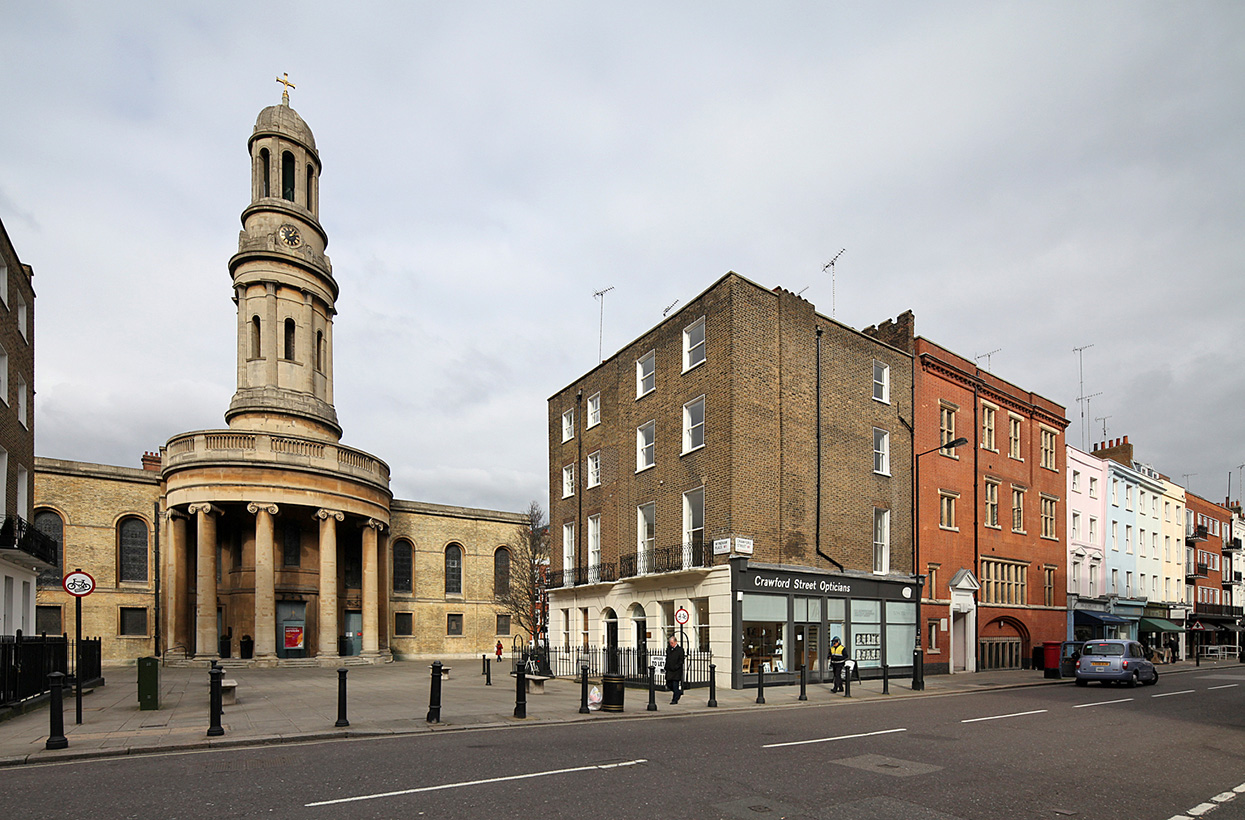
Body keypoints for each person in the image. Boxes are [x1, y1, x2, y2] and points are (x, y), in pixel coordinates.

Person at [665, 635, 685, 704]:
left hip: (676, 671)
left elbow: (681, 660)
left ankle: (675, 699)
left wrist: (676, 667)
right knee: (668, 685)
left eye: (672, 643)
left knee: (675, 685)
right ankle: (678, 693)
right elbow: (667, 659)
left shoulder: (680, 650)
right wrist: (666, 667)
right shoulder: (668, 649)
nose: (671, 644)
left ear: (675, 642)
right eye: (670, 643)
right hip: (669, 670)